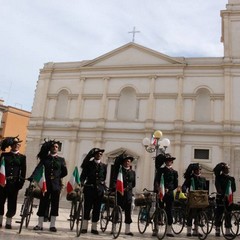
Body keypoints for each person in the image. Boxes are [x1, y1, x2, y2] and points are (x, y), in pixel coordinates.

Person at [31, 139, 68, 232]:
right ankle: (40, 224)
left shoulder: (61, 160)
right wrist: (32, 177)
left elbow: (64, 172)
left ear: (58, 149)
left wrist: (57, 177)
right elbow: (38, 169)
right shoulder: (45, 159)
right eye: (53, 146)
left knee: (55, 204)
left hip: (56, 186)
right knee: (43, 203)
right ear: (50, 148)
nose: (55, 148)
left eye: (56, 147)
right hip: (45, 185)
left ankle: (52, 225)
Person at [0, 136, 26, 229]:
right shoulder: (4, 155)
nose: (16, 146)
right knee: (0, 201)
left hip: (14, 183)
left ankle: (8, 221)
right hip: (3, 182)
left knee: (12, 203)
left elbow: (23, 171)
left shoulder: (22, 157)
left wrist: (20, 184)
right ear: (11, 146)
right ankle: (0, 220)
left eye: (18, 145)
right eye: (14, 144)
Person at [80, 148, 107, 234]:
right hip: (89, 188)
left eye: (100, 154)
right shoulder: (88, 164)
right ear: (94, 155)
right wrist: (82, 182)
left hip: (99, 191)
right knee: (87, 208)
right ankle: (84, 227)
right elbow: (83, 175)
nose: (99, 155)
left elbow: (104, 177)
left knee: (97, 209)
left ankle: (94, 228)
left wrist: (102, 186)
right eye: (97, 154)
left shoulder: (104, 166)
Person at [154, 153, 178, 237]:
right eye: (167, 161)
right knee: (159, 209)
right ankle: (156, 228)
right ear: (165, 162)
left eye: (170, 161)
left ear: (172, 162)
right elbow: (157, 180)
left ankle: (169, 230)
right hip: (161, 192)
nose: (169, 162)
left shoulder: (174, 172)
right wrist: (158, 189)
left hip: (169, 194)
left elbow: (175, 184)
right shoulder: (160, 170)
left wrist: (169, 189)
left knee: (169, 211)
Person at [113, 154, 136, 236]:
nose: (127, 162)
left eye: (129, 161)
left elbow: (133, 184)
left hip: (128, 195)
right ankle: (114, 228)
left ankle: (127, 230)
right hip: (119, 194)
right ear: (123, 162)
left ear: (130, 163)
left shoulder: (133, 172)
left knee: (128, 212)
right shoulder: (119, 171)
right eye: (126, 161)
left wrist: (128, 188)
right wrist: (118, 188)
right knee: (117, 211)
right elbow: (115, 181)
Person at [182, 163, 207, 237]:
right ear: (194, 170)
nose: (198, 171)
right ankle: (189, 231)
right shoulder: (190, 178)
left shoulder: (203, 179)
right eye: (196, 169)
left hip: (201, 198)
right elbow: (184, 186)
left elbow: (205, 188)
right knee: (191, 214)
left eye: (199, 169)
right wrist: (184, 191)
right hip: (193, 198)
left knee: (199, 215)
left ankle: (196, 230)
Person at [213, 162, 236, 237]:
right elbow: (218, 187)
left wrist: (228, 193)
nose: (227, 170)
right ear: (222, 170)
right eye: (225, 169)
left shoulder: (231, 179)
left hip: (229, 199)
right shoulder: (219, 177)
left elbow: (234, 189)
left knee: (228, 214)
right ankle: (217, 229)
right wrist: (221, 164)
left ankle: (227, 231)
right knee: (219, 214)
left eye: (227, 169)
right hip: (221, 198)